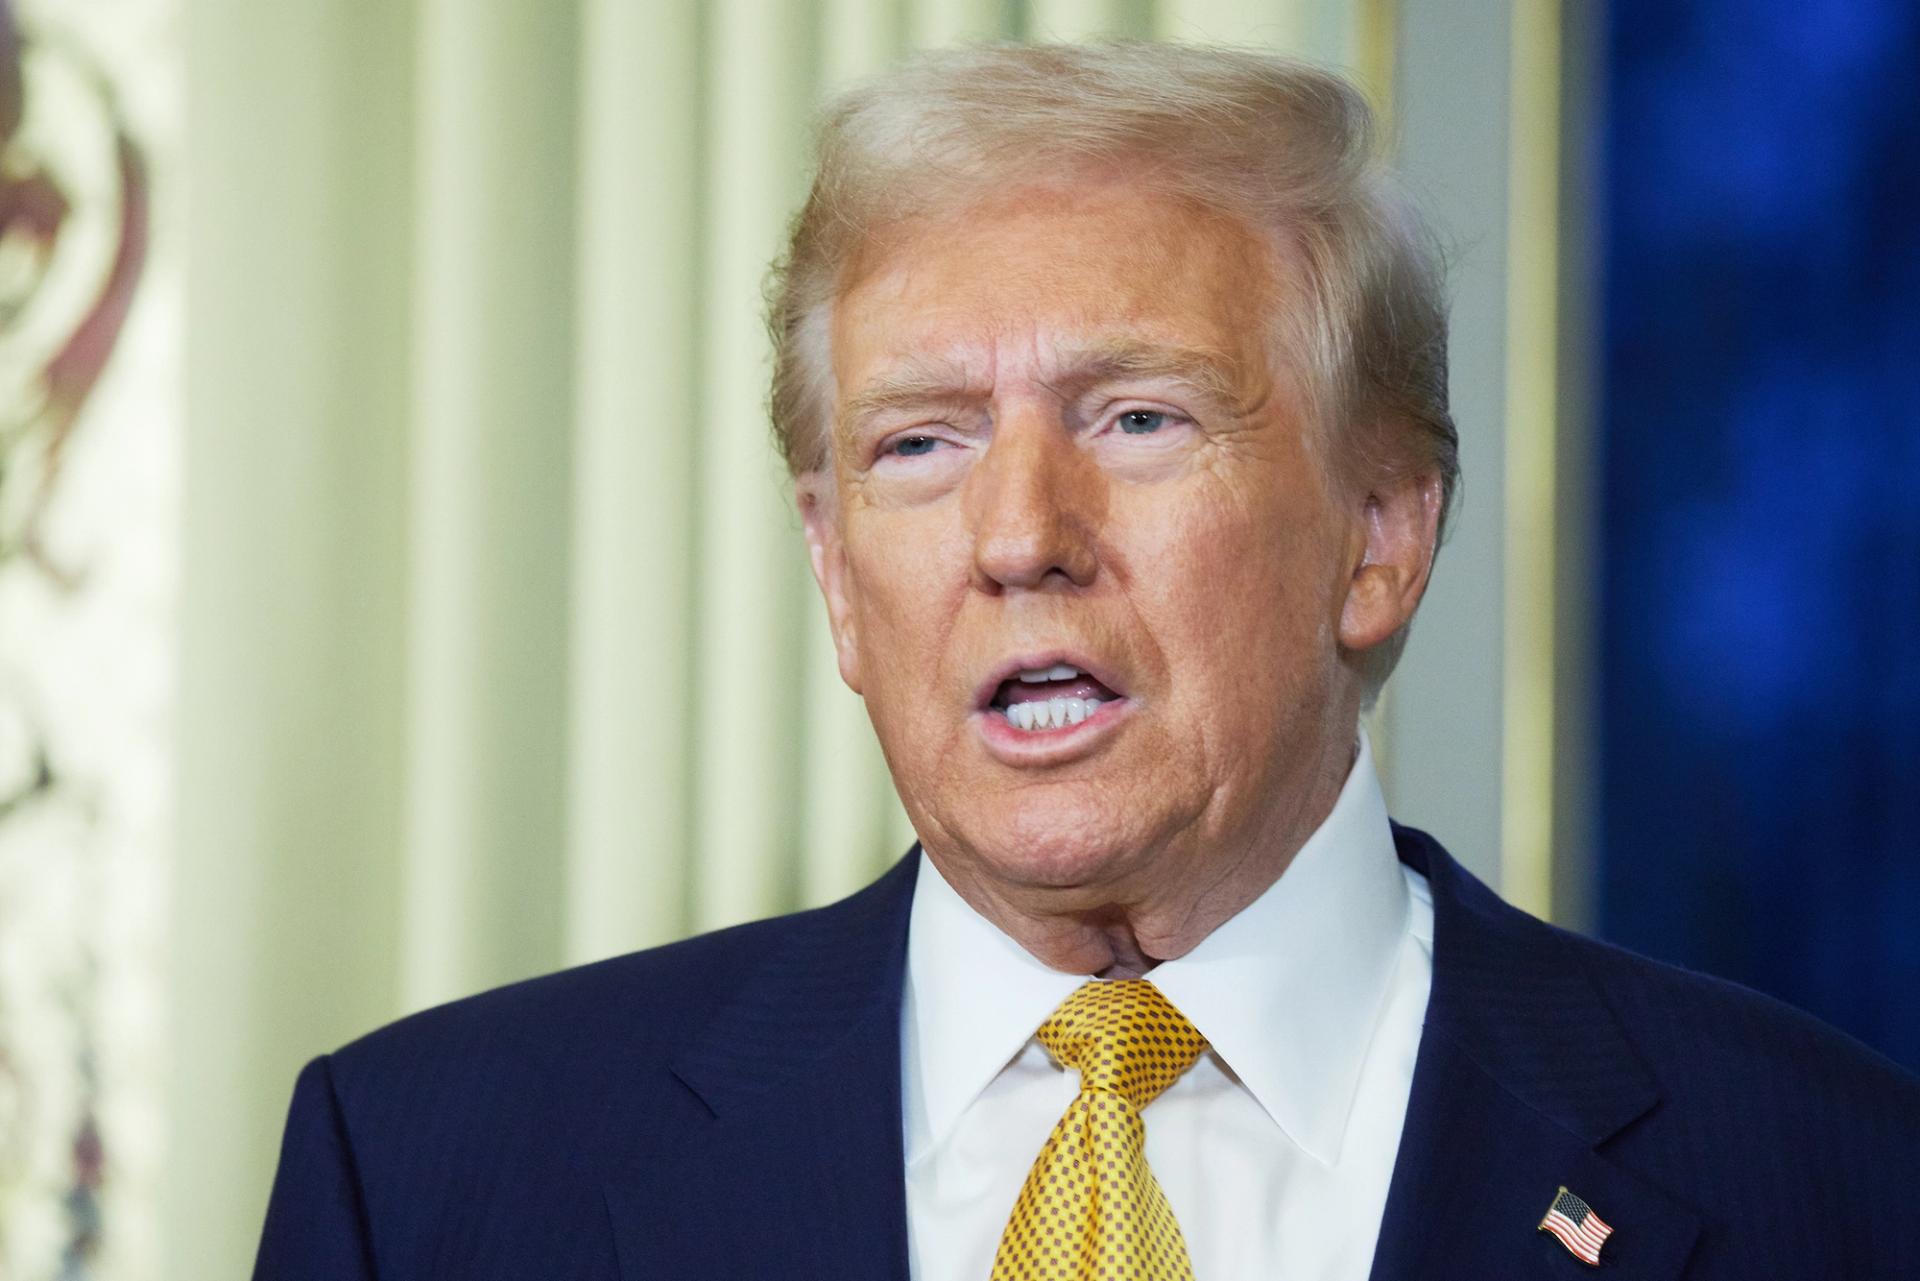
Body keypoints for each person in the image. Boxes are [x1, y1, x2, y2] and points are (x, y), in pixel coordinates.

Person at [253, 42, 1919, 1281]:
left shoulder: (1833, 1191)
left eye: (1137, 417)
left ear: (1382, 533)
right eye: (921, 442)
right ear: (836, 575)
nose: (1019, 532)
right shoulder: (433, 1183)